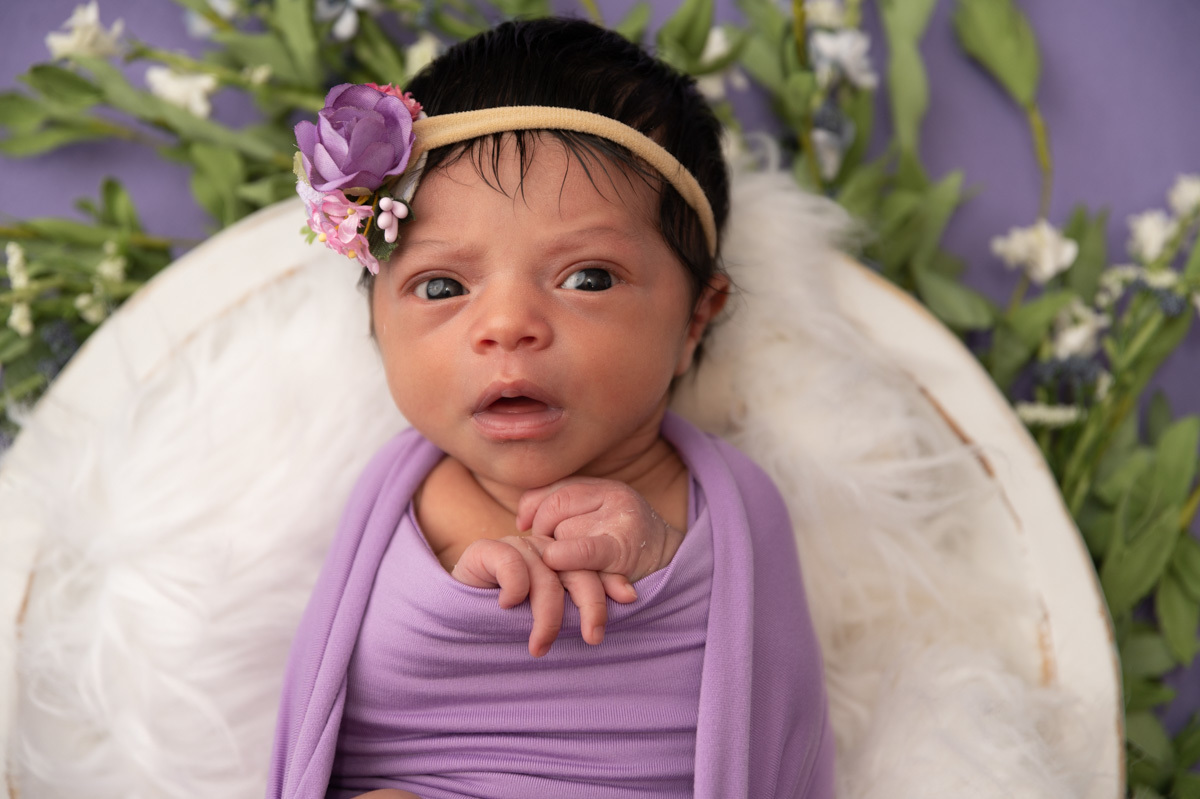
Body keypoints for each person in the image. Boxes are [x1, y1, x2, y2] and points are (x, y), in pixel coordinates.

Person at [270, 17, 834, 799]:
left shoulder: (733, 511)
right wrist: (471, 585)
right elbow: (321, 733)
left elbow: (776, 731)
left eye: (588, 278)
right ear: (376, 324)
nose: (506, 325)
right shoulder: (390, 502)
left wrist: (663, 555)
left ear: (695, 320)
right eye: (440, 287)